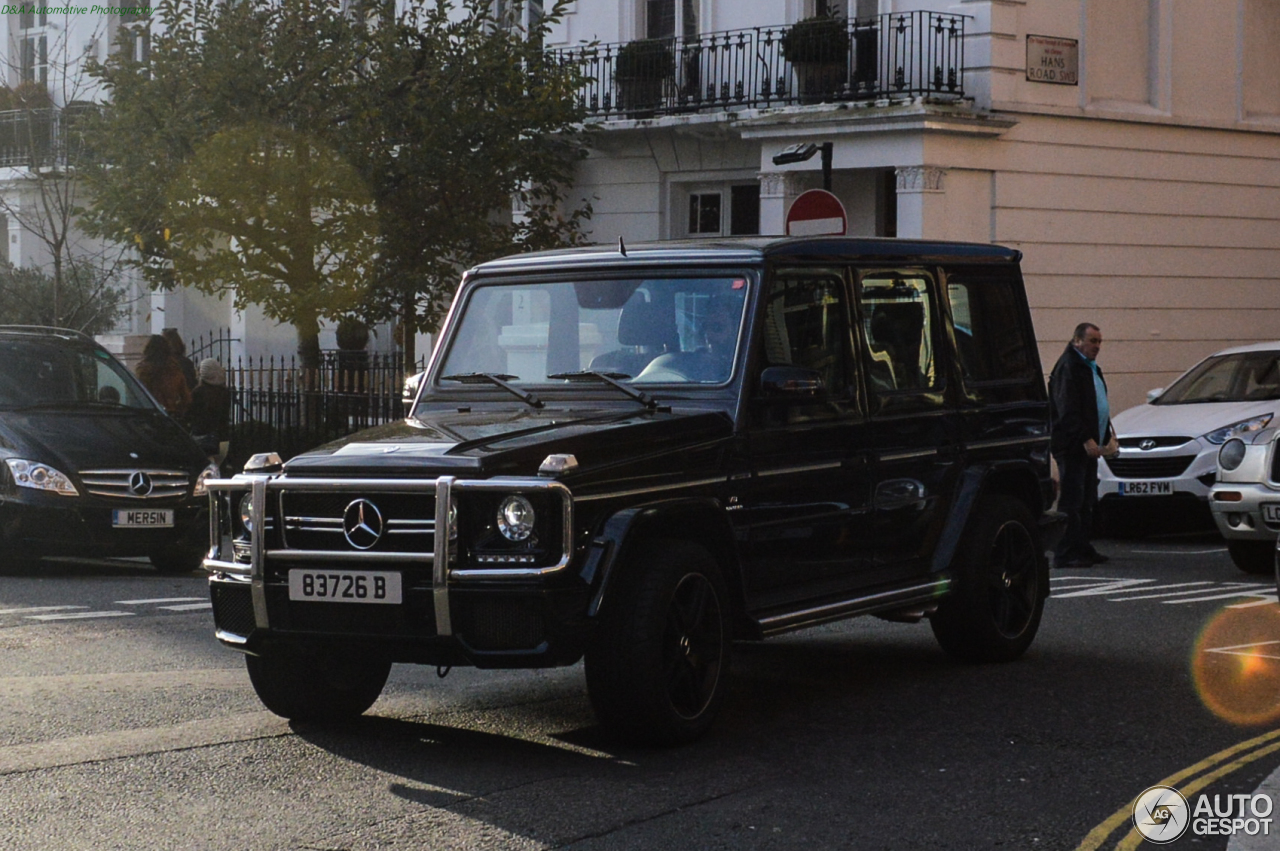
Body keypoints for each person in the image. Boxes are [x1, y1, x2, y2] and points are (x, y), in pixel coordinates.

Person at [1049, 322, 1119, 569]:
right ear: (1077, 340)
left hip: (1090, 446)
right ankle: (1065, 551)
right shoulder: (1070, 367)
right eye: (1093, 341)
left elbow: (1097, 403)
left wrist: (1107, 434)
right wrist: (1084, 438)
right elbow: (1067, 409)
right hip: (1073, 446)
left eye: (1099, 342)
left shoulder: (1089, 367)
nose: (1097, 347)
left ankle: (1082, 547)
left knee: (1087, 499)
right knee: (1072, 500)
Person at [135, 334, 191, 418]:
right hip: (170, 415)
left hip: (148, 415)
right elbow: (186, 398)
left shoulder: (143, 370)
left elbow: (137, 394)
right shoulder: (174, 370)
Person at [189, 358, 231, 466]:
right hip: (222, 438)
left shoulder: (197, 392)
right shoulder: (225, 392)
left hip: (201, 437)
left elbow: (190, 414)